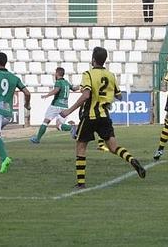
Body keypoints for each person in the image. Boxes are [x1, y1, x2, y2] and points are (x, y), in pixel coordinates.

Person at [60, 47, 146, 189]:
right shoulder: (111, 75)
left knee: (81, 146)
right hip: (104, 116)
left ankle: (81, 183)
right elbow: (119, 96)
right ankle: (132, 160)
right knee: (113, 147)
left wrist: (69, 111)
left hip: (89, 116)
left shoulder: (88, 74)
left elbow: (86, 95)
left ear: (93, 59)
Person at [30, 67, 80, 144]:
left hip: (55, 105)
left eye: (55, 73)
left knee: (46, 121)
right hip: (65, 107)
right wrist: (81, 86)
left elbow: (56, 90)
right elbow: (74, 88)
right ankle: (71, 128)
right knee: (59, 125)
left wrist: (47, 95)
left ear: (57, 73)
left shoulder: (58, 82)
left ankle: (37, 139)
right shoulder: (67, 82)